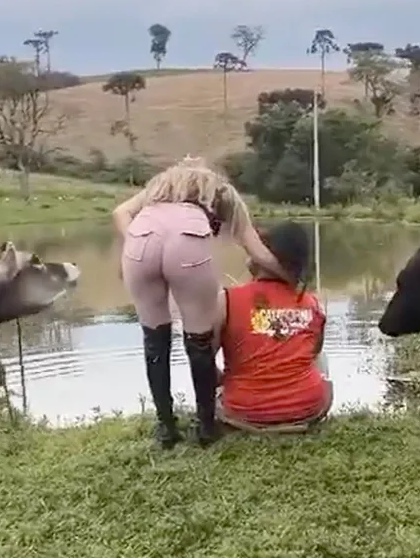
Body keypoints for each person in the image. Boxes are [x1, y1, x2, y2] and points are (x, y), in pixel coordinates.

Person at [112, 156, 290, 448]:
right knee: (199, 337)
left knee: (155, 339)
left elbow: (120, 212)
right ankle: (206, 426)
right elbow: (257, 251)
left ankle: (166, 427)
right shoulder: (222, 191)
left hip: (140, 237)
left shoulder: (162, 185)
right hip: (188, 239)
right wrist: (291, 278)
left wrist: (133, 242)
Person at [215, 222, 332, 428]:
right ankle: (298, 399)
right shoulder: (312, 304)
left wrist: (224, 383)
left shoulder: (227, 300)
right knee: (318, 354)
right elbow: (313, 354)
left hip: (243, 412)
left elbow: (203, 359)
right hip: (307, 409)